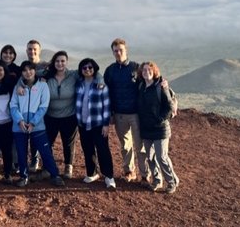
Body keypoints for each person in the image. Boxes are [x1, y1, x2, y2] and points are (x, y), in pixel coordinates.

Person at [40, 51, 104, 179]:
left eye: (63, 61)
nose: (60, 63)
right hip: (50, 115)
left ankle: (68, 166)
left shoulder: (73, 75)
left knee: (68, 143)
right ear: (54, 62)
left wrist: (100, 80)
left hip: (69, 116)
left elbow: (94, 72)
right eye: (57, 61)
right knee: (48, 142)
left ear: (66, 62)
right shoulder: (47, 75)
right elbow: (29, 74)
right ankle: (48, 167)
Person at [10, 60, 65, 187]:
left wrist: (33, 122)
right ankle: (24, 177)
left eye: (30, 69)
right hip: (20, 126)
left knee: (45, 151)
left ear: (35, 71)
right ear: (21, 73)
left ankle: (55, 175)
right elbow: (13, 105)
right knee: (21, 152)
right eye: (24, 70)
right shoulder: (17, 88)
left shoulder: (42, 86)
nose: (28, 72)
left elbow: (43, 106)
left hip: (37, 126)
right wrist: (20, 121)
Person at [103, 38, 149, 182]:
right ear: (112, 52)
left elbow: (149, 82)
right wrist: (110, 113)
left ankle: (145, 174)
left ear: (126, 50)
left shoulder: (136, 68)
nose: (118, 53)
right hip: (119, 114)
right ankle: (129, 171)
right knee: (125, 146)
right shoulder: (110, 70)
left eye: (120, 50)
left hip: (136, 114)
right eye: (115, 51)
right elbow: (107, 93)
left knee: (140, 146)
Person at [137, 61, 179, 194]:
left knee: (162, 156)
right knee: (150, 156)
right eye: (144, 70)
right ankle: (157, 180)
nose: (146, 72)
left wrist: (160, 119)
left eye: (149, 70)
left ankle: (172, 181)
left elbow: (169, 106)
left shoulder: (161, 86)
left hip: (160, 128)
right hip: (146, 128)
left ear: (154, 71)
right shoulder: (141, 86)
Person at [75, 58, 116, 189]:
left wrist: (106, 124)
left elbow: (106, 105)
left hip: (97, 123)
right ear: (81, 70)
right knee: (87, 149)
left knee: (103, 149)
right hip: (83, 123)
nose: (87, 70)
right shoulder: (79, 84)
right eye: (84, 68)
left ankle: (109, 176)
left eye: (90, 67)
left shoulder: (101, 85)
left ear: (94, 69)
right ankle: (92, 173)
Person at [24, 39, 48, 172]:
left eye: (34, 49)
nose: (32, 51)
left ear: (39, 50)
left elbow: (64, 72)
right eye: (29, 49)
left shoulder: (47, 66)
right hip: (28, 107)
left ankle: (45, 164)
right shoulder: (24, 66)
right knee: (31, 134)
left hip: (45, 108)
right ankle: (34, 160)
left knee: (43, 136)